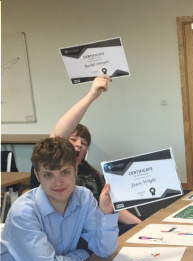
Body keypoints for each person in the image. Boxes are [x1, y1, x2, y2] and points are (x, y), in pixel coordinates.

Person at [29, 75, 141, 231]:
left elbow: (111, 206)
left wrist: (141, 226)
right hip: (70, 231)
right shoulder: (47, 167)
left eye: (84, 143)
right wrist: (91, 96)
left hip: (99, 226)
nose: (78, 145)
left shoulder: (91, 172)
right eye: (73, 139)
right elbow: (58, 134)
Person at [1, 137, 119, 261]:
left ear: (76, 170)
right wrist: (81, 254)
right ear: (37, 175)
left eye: (65, 172)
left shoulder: (84, 197)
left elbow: (104, 251)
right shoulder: (23, 213)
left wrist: (107, 214)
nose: (58, 183)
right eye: (48, 175)